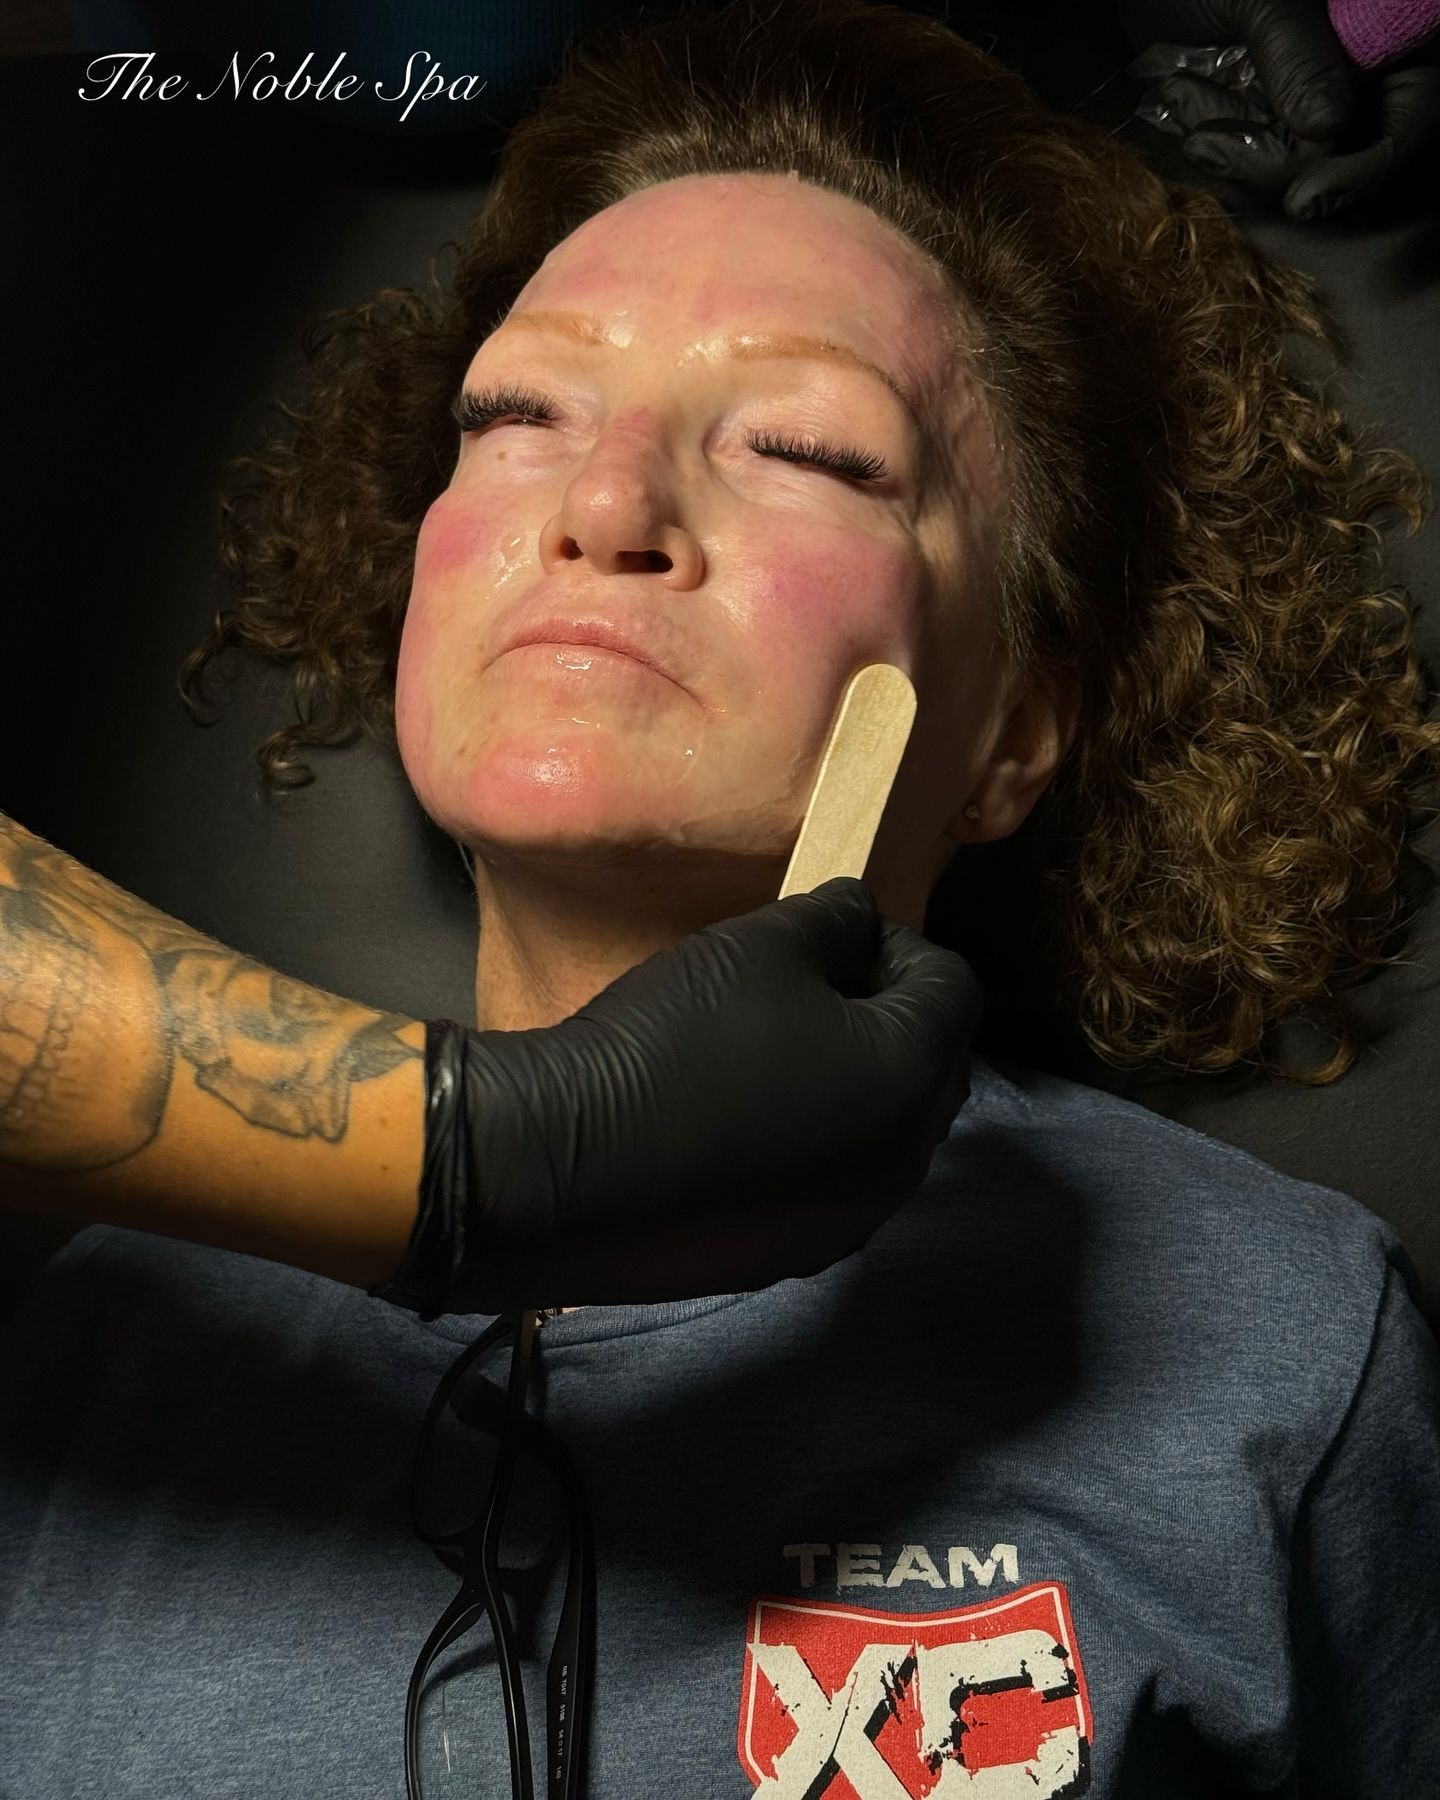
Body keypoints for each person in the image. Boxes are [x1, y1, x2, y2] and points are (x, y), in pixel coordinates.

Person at [4, 0, 1440, 1795]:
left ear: (1009, 733)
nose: (605, 500)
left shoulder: (1280, 1341)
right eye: (516, 410)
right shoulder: (118, 1320)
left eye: (810, 449)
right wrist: (488, 1157)